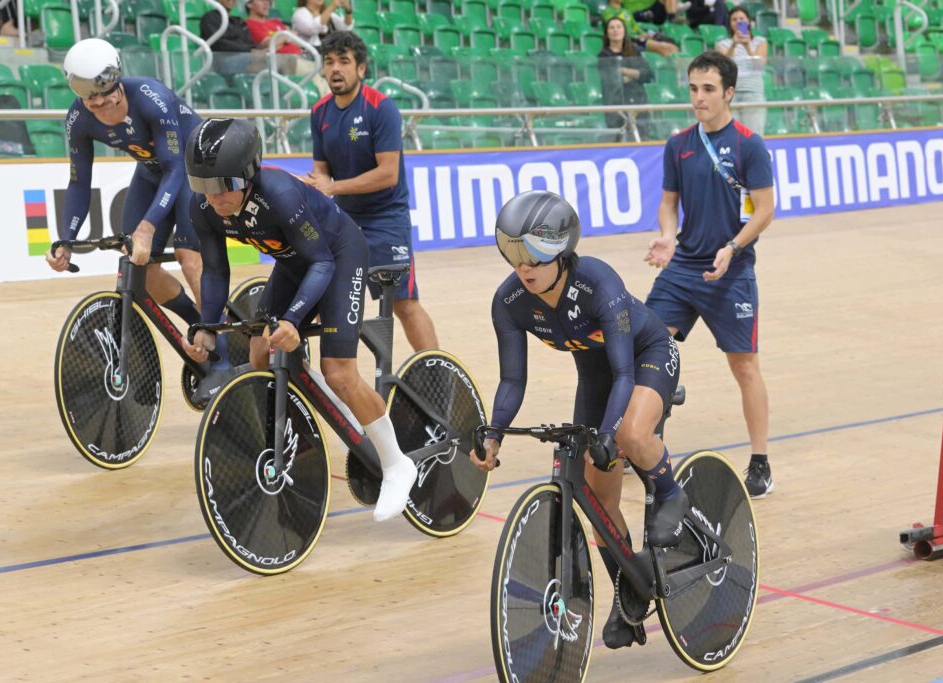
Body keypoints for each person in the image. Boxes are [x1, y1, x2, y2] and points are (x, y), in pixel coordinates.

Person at [470, 190, 688, 650]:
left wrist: (610, 435)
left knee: (629, 433)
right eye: (514, 255)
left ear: (561, 251)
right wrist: (493, 435)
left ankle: (670, 493)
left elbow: (625, 373)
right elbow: (513, 381)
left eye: (533, 255)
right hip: (595, 375)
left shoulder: (597, 282)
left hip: (646, 358)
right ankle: (629, 596)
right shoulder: (509, 301)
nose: (523, 267)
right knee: (596, 498)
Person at [182, 117, 417, 523]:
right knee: (259, 354)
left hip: (338, 256)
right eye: (203, 186)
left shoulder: (282, 195)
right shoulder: (204, 207)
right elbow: (216, 271)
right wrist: (205, 326)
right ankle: (307, 427)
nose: (214, 198)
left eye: (223, 186)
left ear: (248, 176)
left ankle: (397, 464)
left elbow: (322, 261)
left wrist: (292, 319)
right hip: (296, 263)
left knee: (340, 370)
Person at [644, 51, 776, 497]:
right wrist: (667, 235)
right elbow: (668, 202)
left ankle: (760, 461)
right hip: (682, 269)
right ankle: (641, 439)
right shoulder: (678, 144)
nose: (698, 98)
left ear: (729, 93)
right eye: (693, 88)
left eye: (708, 89)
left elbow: (766, 209)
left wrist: (733, 247)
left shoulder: (748, 145)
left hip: (731, 272)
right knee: (646, 347)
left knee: (744, 368)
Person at [47, 38, 203, 329]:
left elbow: (174, 167)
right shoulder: (78, 118)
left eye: (104, 93)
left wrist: (147, 227)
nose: (97, 103)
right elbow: (79, 183)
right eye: (87, 96)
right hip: (152, 171)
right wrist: (65, 240)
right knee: (139, 268)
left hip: (192, 170)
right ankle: (200, 324)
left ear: (116, 78)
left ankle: (221, 353)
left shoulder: (151, 97)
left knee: (189, 257)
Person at [305, 31, 439, 352]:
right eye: (329, 62)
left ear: (361, 69)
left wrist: (332, 187)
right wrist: (317, 188)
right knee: (326, 299)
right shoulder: (319, 112)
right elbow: (321, 170)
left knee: (403, 304)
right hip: (344, 219)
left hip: (385, 219)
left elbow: (388, 174)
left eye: (344, 61)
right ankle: (323, 381)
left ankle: (439, 375)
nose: (335, 69)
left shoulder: (382, 108)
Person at [599, 17, 654, 141]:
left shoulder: (634, 52)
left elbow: (648, 74)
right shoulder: (604, 56)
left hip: (638, 102)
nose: (615, 30)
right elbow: (613, 79)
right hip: (616, 106)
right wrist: (636, 74)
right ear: (607, 33)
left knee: (643, 138)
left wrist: (624, 70)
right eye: (612, 27)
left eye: (619, 27)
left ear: (624, 31)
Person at [716, 6, 768, 135]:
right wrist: (734, 44)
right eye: (734, 19)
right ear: (729, 23)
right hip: (730, 95)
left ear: (748, 21)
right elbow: (723, 67)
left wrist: (747, 46)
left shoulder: (760, 42)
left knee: (754, 135)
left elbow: (760, 65)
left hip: (753, 93)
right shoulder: (722, 44)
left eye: (742, 19)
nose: (738, 22)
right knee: (732, 136)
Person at [199, 0, 270, 75]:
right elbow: (219, 44)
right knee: (267, 60)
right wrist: (250, 50)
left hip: (243, 57)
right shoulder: (209, 18)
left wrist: (254, 49)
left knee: (269, 58)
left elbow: (249, 42)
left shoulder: (238, 21)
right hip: (221, 61)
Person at [601, 0, 678, 57]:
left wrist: (644, 34)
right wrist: (636, 36)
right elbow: (614, 28)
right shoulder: (608, 11)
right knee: (668, 48)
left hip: (638, 38)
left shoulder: (626, 12)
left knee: (672, 45)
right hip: (630, 40)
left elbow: (635, 27)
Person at [245, 0, 302, 75]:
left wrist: (281, 39)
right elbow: (268, 44)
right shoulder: (249, 24)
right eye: (262, 0)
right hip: (283, 62)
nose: (266, 3)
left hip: (301, 57)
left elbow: (298, 42)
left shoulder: (275, 22)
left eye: (269, 1)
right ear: (249, 4)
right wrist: (287, 35)